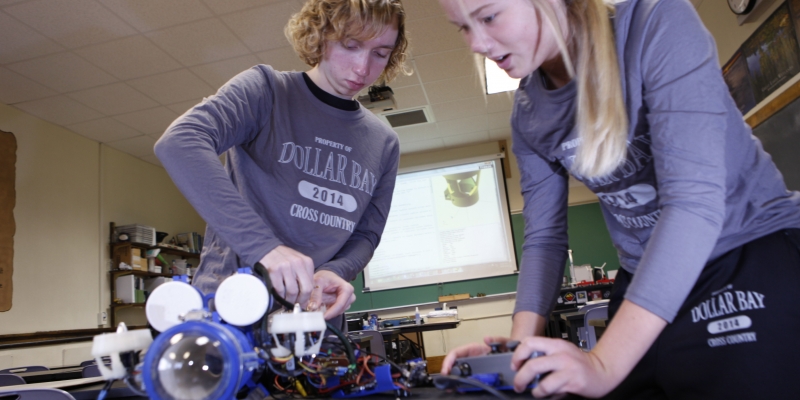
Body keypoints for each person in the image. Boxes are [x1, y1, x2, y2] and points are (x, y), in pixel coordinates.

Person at [438, 0, 800, 398]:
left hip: (742, 252)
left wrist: (603, 363)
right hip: (642, 276)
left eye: (488, 17)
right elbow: (543, 239)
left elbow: (693, 203)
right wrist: (518, 353)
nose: (475, 43)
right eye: (462, 28)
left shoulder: (654, 20)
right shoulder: (528, 114)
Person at [154, 0, 409, 324]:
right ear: (321, 32)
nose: (363, 67)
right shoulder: (267, 90)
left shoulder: (384, 142)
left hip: (317, 321)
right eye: (351, 45)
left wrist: (334, 270)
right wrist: (266, 249)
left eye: (380, 53)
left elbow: (367, 235)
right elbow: (180, 142)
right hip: (232, 311)